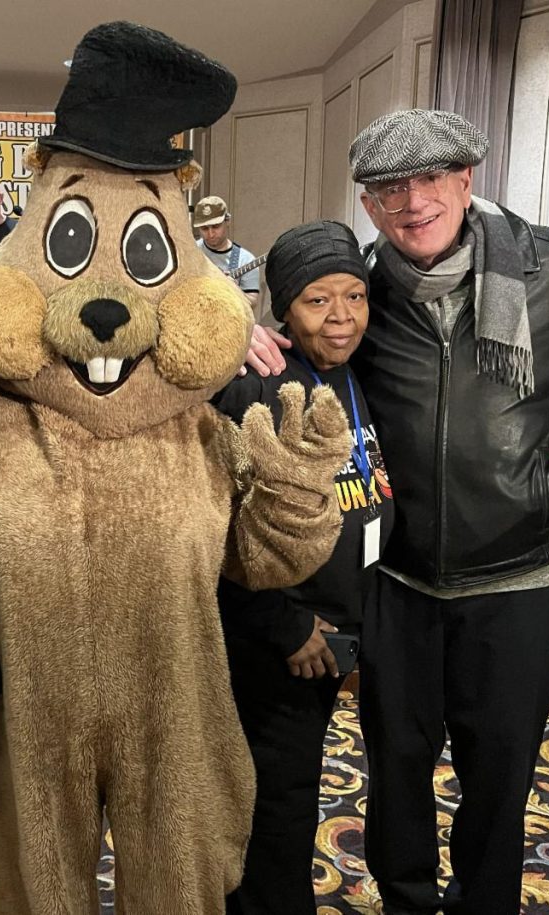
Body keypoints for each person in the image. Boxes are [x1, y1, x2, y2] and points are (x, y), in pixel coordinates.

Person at [245, 109, 549, 915]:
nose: (414, 201)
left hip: (517, 584)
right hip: (398, 588)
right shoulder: (360, 293)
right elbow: (301, 339)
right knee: (395, 770)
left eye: (432, 177)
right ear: (368, 203)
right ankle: (405, 899)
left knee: (501, 777)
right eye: (390, 187)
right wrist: (244, 333)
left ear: (467, 179)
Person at [214, 221, 393, 915]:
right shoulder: (257, 388)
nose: (342, 316)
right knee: (274, 802)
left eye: (354, 295)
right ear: (283, 306)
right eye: (319, 300)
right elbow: (219, 533)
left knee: (294, 788)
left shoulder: (355, 373)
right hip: (279, 641)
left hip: (337, 629)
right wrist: (284, 624)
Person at [193, 195, 261, 313]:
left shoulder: (246, 260)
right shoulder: (190, 252)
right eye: (204, 228)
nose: (211, 234)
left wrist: (234, 291)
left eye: (216, 226)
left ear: (227, 221)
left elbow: (252, 302)